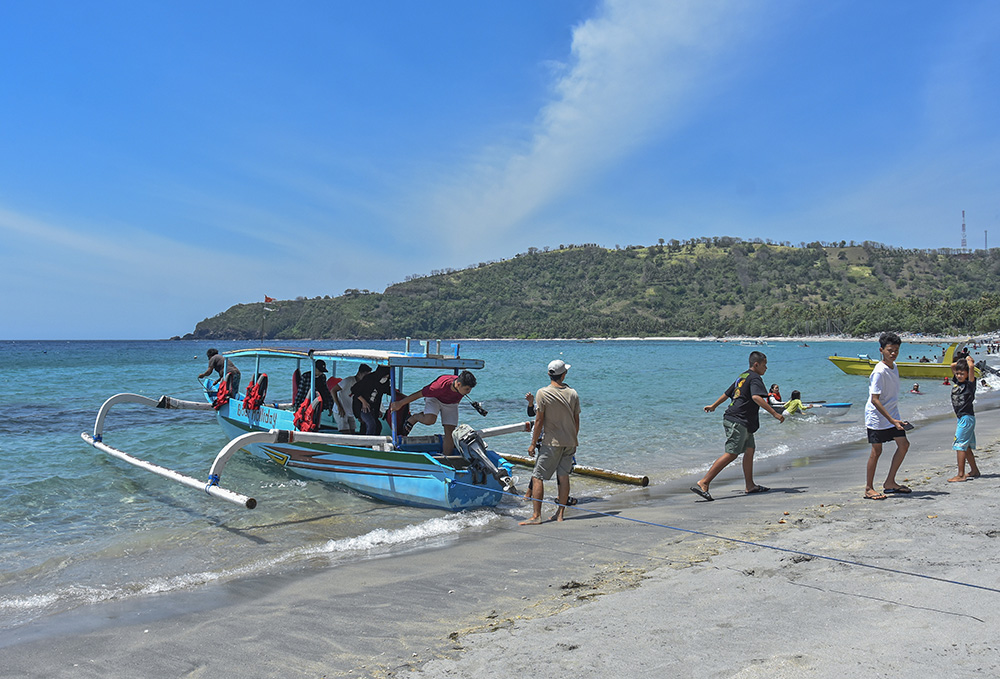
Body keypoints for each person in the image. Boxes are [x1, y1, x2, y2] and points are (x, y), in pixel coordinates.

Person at [691, 351, 784, 501]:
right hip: (738, 420)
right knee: (732, 453)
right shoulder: (755, 378)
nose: (766, 368)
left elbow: (728, 394)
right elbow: (755, 397)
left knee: (749, 450)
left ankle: (750, 485)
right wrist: (774, 413)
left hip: (741, 420)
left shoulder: (743, 376)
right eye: (764, 365)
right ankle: (704, 482)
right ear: (756, 364)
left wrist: (714, 405)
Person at [519, 359, 580, 525]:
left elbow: (538, 421)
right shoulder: (573, 393)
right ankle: (560, 514)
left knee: (537, 476)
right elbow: (576, 420)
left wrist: (533, 443)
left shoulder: (543, 393)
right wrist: (574, 438)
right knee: (563, 476)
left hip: (552, 442)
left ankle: (536, 516)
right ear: (564, 374)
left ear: (549, 374)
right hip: (570, 441)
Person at [863, 332, 911, 500]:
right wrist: (891, 420)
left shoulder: (894, 366)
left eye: (896, 350)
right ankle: (869, 488)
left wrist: (894, 418)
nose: (893, 353)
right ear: (881, 350)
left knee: (904, 445)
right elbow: (875, 400)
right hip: (877, 417)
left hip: (893, 414)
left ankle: (890, 482)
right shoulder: (879, 372)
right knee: (877, 451)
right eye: (890, 350)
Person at [390, 371, 477, 455]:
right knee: (430, 420)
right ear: (458, 384)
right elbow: (419, 394)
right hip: (434, 398)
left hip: (451, 403)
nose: (469, 392)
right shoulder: (438, 386)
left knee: (450, 433)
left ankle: (446, 457)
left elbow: (458, 397)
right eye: (467, 389)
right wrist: (400, 403)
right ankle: (415, 417)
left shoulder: (461, 388)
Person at [947, 353, 980, 482]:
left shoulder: (969, 385)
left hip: (966, 418)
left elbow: (971, 367)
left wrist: (969, 361)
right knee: (966, 447)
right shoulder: (957, 381)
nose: (959, 375)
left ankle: (961, 475)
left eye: (962, 374)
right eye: (958, 373)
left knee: (959, 445)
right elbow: (952, 365)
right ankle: (974, 470)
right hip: (962, 418)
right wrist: (961, 361)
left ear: (967, 374)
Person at [351, 365, 391, 435]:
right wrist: (364, 402)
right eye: (385, 376)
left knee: (378, 426)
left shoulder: (385, 382)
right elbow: (354, 389)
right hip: (361, 406)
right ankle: (367, 443)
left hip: (373, 407)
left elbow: (386, 390)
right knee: (371, 424)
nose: (385, 378)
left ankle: (372, 442)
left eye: (387, 377)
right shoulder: (369, 378)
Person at [332, 364, 371, 433]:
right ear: (359, 373)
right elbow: (333, 390)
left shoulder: (363, 385)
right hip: (341, 411)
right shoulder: (348, 381)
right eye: (365, 376)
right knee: (346, 433)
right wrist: (339, 406)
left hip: (351, 412)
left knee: (353, 432)